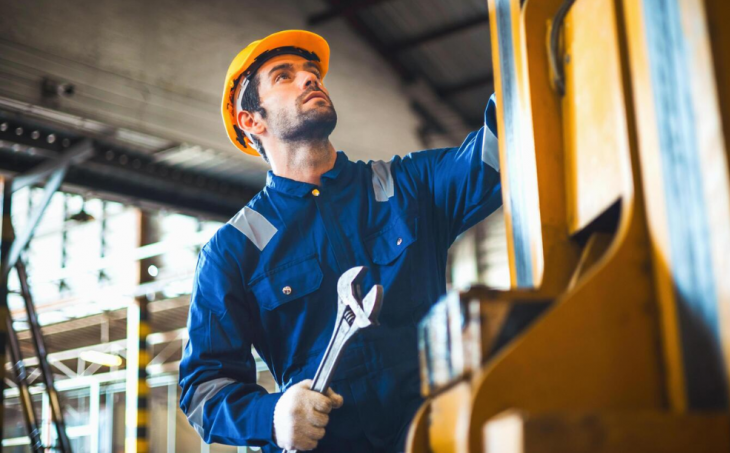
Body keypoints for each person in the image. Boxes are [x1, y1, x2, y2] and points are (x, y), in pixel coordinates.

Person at [179, 30, 502, 452]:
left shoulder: (409, 187)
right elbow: (203, 388)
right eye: (284, 76)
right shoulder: (233, 250)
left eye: (311, 72)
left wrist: (524, 45)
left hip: (439, 438)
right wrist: (273, 417)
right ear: (251, 120)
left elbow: (499, 150)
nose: (309, 79)